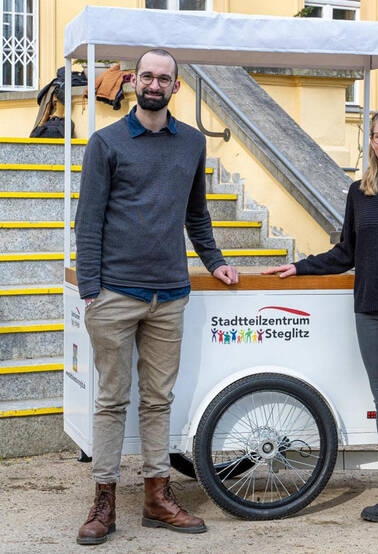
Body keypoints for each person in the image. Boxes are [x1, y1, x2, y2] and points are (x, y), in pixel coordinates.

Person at [74, 49, 239, 545]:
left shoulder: (190, 143)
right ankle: (104, 500)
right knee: (109, 400)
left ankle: (156, 496)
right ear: (132, 81)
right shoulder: (105, 143)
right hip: (115, 294)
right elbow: (89, 219)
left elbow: (197, 213)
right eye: (146, 75)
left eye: (163, 78)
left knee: (157, 400)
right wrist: (90, 289)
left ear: (175, 88)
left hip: (169, 294)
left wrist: (215, 262)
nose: (153, 83)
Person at [263, 106, 378, 529]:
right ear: (370, 141)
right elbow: (347, 251)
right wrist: (300, 266)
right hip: (369, 310)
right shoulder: (358, 192)